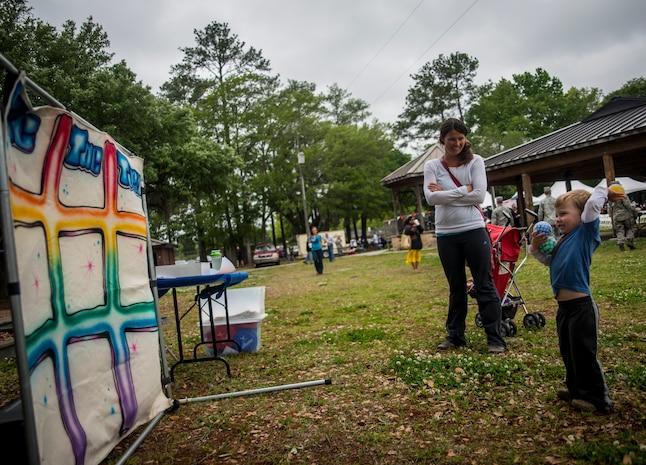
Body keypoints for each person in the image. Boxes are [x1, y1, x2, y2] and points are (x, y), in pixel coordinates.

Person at [529, 186, 622, 413]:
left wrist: (604, 191)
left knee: (583, 352)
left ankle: (599, 400)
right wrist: (535, 246)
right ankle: (576, 389)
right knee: (568, 350)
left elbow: (591, 206)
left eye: (564, 214)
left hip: (581, 308)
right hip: (564, 308)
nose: (558, 219)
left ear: (582, 217)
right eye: (557, 214)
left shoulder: (585, 234)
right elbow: (549, 261)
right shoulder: (562, 241)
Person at [424, 118, 506, 355]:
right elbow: (431, 199)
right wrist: (464, 190)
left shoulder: (476, 161)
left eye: (461, 139)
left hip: (473, 229)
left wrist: (448, 193)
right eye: (451, 139)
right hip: (446, 233)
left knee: (484, 283)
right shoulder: (432, 166)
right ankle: (455, 335)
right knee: (456, 286)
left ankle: (495, 338)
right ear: (442, 140)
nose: (457, 143)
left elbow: (479, 195)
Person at [607, 180, 638, 251]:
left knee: (620, 231)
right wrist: (634, 212)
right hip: (626, 215)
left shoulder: (610, 198)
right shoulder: (622, 195)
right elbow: (628, 205)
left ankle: (620, 242)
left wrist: (611, 216)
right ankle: (630, 241)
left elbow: (610, 209)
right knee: (629, 228)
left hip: (616, 216)